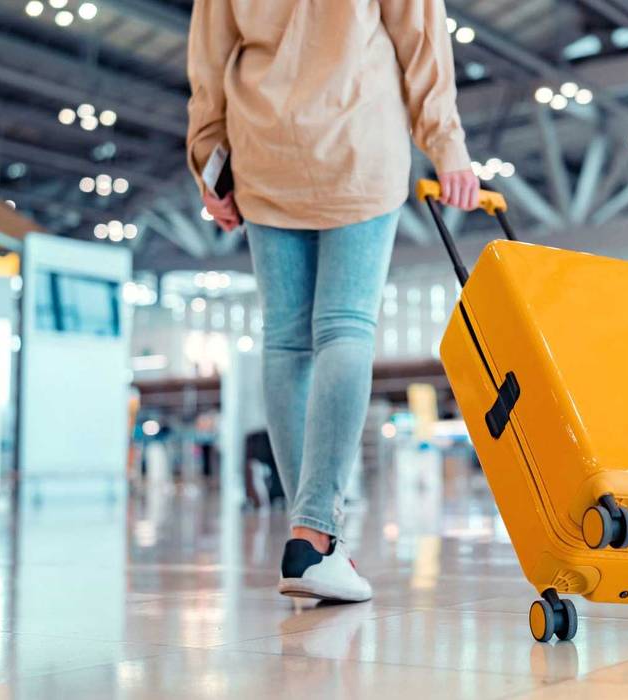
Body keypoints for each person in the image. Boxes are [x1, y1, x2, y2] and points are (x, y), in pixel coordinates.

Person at [186, 0, 479, 603]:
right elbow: (419, 37)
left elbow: (208, 58)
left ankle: (310, 543)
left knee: (287, 343)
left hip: (265, 151)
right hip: (358, 144)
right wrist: (445, 143)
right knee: (344, 328)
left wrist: (208, 159)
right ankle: (315, 534)